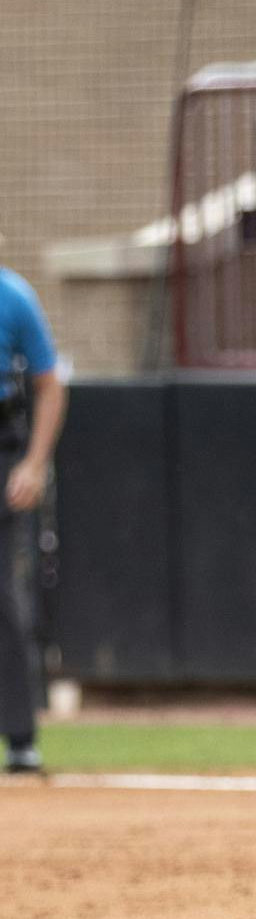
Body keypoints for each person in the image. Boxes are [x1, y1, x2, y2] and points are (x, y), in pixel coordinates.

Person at [0, 270, 63, 776]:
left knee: (1, 594)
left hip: (3, 449)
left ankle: (21, 738)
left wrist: (34, 463)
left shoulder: (14, 296)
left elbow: (49, 384)